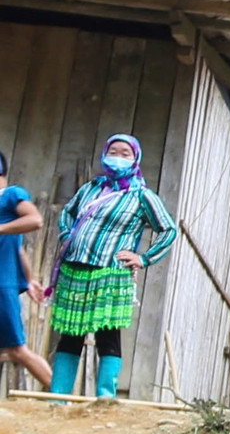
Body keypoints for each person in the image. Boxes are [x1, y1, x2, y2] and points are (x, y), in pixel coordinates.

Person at [49, 134, 177, 401]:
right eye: (113, 152)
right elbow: (68, 213)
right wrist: (67, 237)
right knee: (70, 334)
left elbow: (168, 230)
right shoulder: (91, 189)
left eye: (125, 153)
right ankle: (58, 398)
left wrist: (144, 258)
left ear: (135, 159)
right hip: (75, 271)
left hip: (111, 273)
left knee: (108, 334)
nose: (117, 158)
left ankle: (105, 398)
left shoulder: (141, 196)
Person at [0, 151, 52, 388]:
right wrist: (29, 280)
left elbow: (35, 220)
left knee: (17, 350)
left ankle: (63, 399)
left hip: (2, 285)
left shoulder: (11, 195)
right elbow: (18, 249)